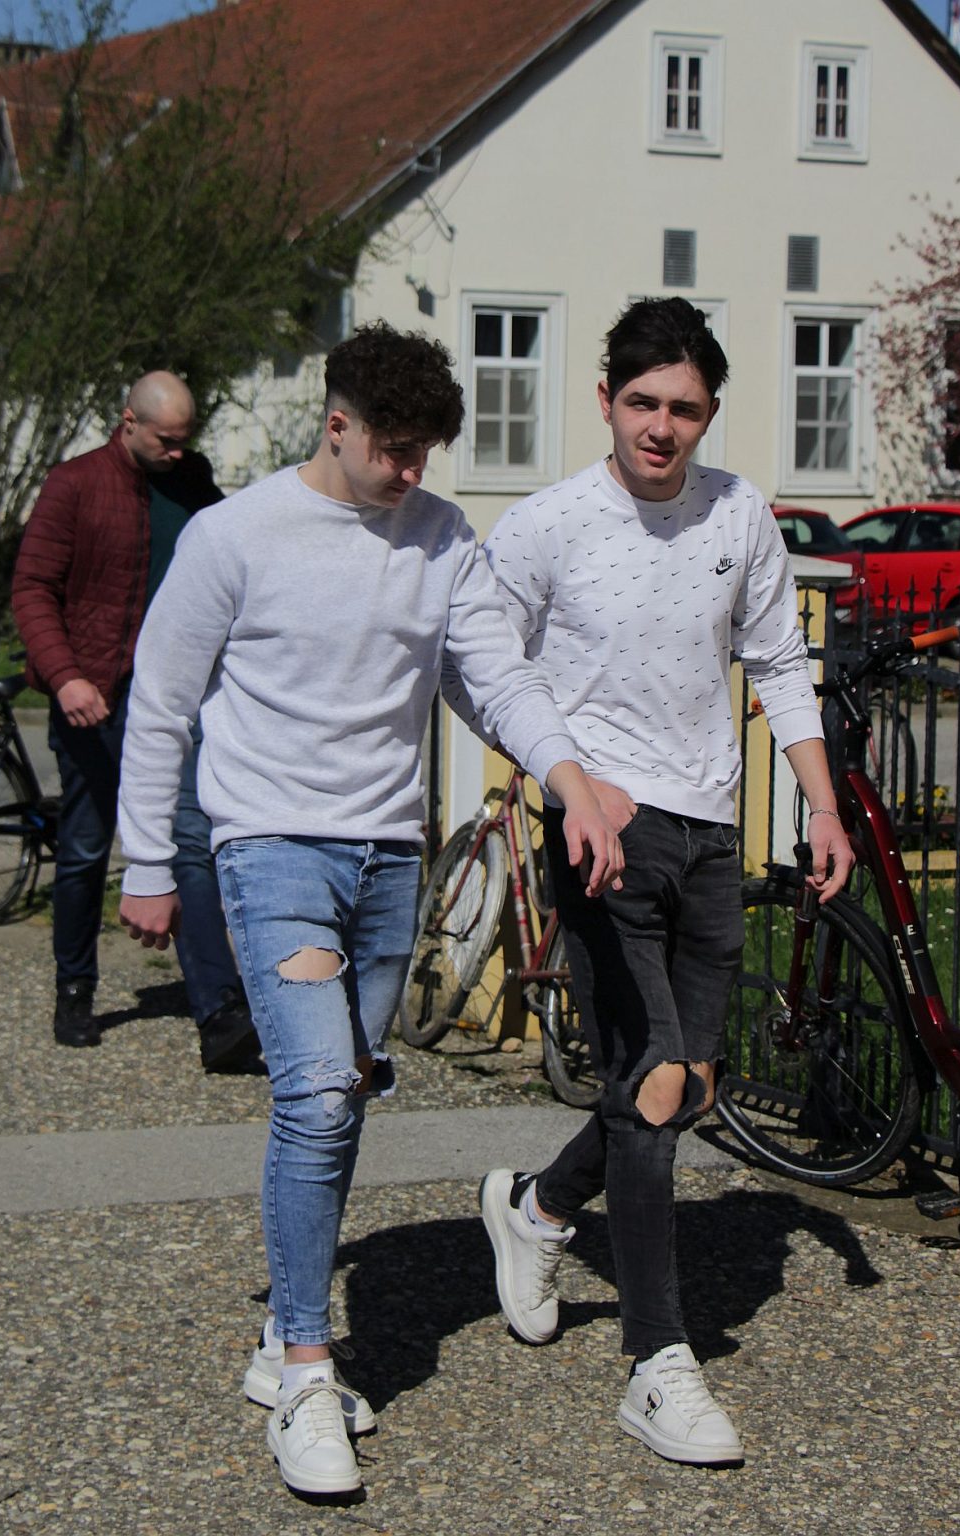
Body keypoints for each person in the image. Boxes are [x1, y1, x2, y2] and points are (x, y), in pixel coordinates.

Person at [114, 322, 624, 1498]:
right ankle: (305, 1368)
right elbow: (163, 699)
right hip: (270, 849)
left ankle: (280, 1336)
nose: (411, 471)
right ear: (336, 424)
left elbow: (493, 673)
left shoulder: (441, 537)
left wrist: (571, 778)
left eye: (426, 451)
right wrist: (146, 860)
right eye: (394, 449)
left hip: (390, 859)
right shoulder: (234, 536)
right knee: (320, 1091)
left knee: (341, 1103)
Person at [474, 297, 855, 1467]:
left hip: (710, 833)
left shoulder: (739, 512)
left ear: (709, 413)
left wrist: (822, 805)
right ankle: (657, 1363)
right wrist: (567, 777)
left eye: (684, 408)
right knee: (649, 1086)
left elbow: (779, 660)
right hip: (604, 832)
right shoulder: (550, 524)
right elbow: (481, 663)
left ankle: (538, 1208)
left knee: (691, 1084)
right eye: (641, 402)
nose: (660, 426)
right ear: (606, 400)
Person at [11, 371, 258, 1069]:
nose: (178, 452)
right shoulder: (74, 485)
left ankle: (219, 1011)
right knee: (86, 848)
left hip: (177, 697)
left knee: (189, 841)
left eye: (185, 440)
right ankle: (75, 989)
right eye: (165, 441)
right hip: (94, 699)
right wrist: (65, 677)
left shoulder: (194, 483)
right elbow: (32, 588)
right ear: (129, 422)